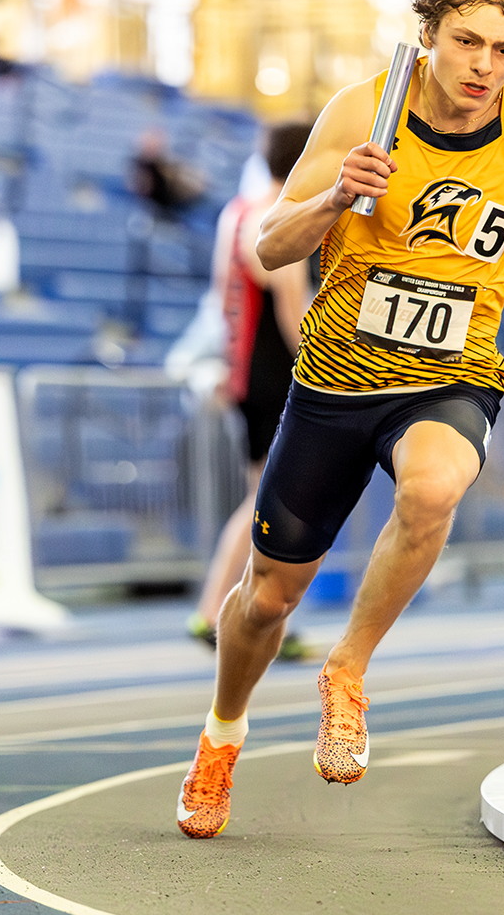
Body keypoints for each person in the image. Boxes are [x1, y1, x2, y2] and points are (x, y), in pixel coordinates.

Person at [175, 0, 504, 838]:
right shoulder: (363, 113)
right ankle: (222, 735)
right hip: (337, 380)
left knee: (433, 487)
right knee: (266, 598)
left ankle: (347, 671)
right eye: (467, 43)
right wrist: (337, 199)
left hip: (450, 374)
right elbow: (269, 246)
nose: (484, 67)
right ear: (428, 33)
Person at [187, 122, 316, 661]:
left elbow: (224, 296)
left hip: (246, 368)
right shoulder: (275, 214)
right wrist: (322, 361)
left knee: (267, 499)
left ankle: (236, 612)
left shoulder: (236, 210)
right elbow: (290, 300)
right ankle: (222, 611)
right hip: (274, 371)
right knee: (272, 501)